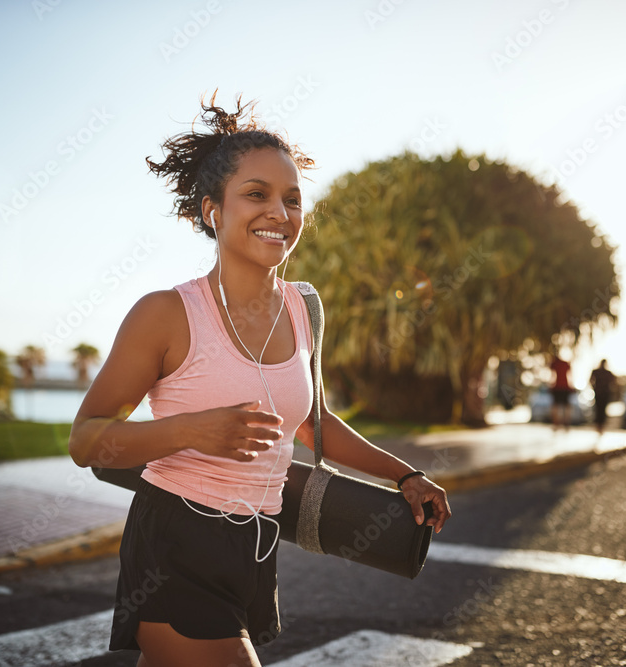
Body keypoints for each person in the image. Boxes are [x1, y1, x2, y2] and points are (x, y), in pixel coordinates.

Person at [67, 92, 451, 667]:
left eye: (291, 199)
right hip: (176, 539)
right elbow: (86, 441)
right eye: (256, 194)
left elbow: (311, 423)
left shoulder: (301, 308)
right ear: (211, 211)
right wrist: (190, 430)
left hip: (257, 544)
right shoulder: (166, 314)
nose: (279, 212)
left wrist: (407, 475)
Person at [588, 359, 616, 435]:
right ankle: (599, 426)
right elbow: (590, 380)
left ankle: (600, 427)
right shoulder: (597, 371)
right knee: (599, 410)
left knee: (601, 410)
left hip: (604, 394)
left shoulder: (607, 373)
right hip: (600, 393)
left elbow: (613, 382)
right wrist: (594, 388)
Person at [549, 352, 573, 431]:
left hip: (557, 387)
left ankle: (556, 423)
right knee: (565, 406)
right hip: (565, 387)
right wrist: (571, 385)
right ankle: (566, 423)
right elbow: (570, 376)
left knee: (556, 406)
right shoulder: (565, 364)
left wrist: (551, 385)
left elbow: (552, 375)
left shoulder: (554, 364)